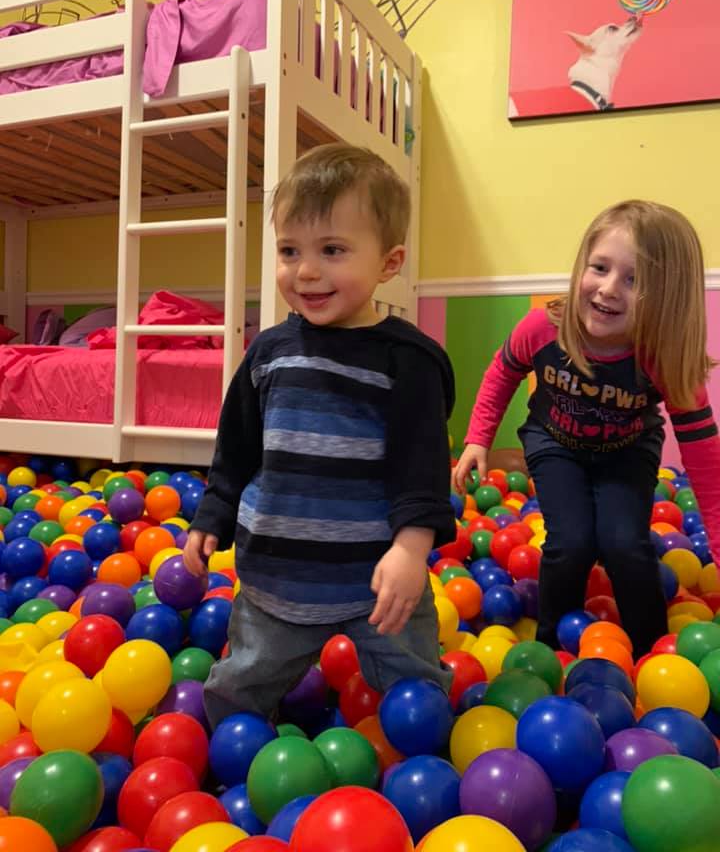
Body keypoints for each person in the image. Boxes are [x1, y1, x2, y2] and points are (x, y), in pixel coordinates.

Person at [184, 143, 455, 726]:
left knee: (419, 697)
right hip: (276, 579)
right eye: (289, 250)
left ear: (389, 261)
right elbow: (236, 447)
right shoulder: (270, 352)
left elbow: (424, 466)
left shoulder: (408, 361)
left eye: (332, 250)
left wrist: (412, 550)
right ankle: (216, 757)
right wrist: (213, 514)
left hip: (377, 585)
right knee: (239, 688)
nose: (305, 271)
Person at [453, 200, 720, 657]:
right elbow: (503, 371)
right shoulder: (545, 327)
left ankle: (652, 652)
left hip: (627, 451)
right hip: (554, 442)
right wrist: (479, 437)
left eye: (635, 280)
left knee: (625, 544)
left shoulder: (664, 358)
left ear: (669, 299)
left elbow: (705, 462)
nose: (608, 289)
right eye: (599, 267)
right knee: (571, 542)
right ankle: (550, 650)